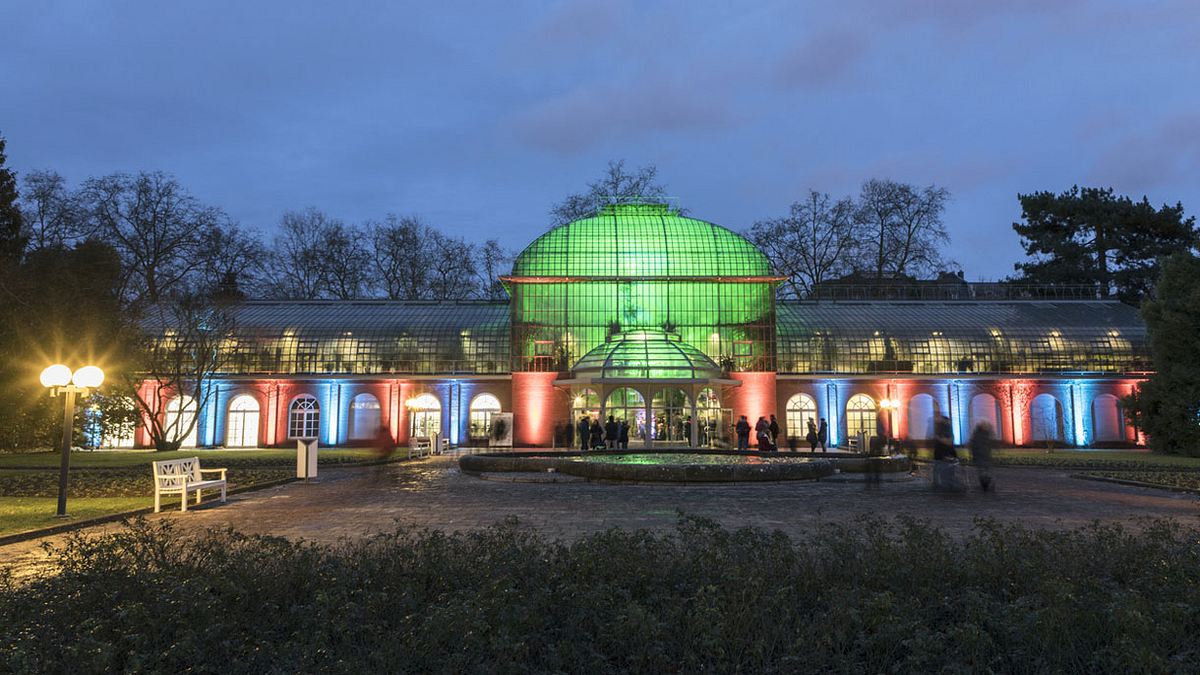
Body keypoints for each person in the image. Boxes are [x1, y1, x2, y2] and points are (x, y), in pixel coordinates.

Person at [931, 414, 960, 491]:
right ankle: (946, 486)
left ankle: (944, 486)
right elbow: (949, 441)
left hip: (943, 454)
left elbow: (949, 440)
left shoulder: (941, 428)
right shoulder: (943, 428)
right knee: (946, 471)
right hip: (944, 454)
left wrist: (943, 440)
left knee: (943, 471)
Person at [969, 421, 995, 491]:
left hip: (984, 455)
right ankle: (985, 483)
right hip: (981, 456)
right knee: (983, 471)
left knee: (984, 471)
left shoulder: (984, 434)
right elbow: (974, 445)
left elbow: (990, 443)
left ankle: (985, 483)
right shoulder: (979, 434)